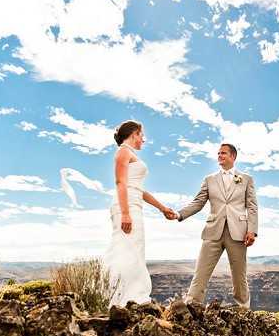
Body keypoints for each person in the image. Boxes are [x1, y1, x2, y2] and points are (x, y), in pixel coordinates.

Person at [174, 143, 258, 308]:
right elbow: (198, 203)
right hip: (213, 231)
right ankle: (192, 305)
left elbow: (252, 206)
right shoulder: (209, 179)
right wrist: (179, 214)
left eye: (224, 153)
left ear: (233, 156)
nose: (220, 156)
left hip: (238, 232)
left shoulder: (246, 179)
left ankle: (243, 307)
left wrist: (252, 231)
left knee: (239, 274)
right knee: (201, 271)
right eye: (218, 153)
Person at [103, 120, 176, 307]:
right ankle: (122, 297)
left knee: (134, 250)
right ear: (134, 133)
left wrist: (162, 208)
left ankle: (128, 297)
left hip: (134, 205)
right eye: (141, 135)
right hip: (125, 207)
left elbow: (138, 190)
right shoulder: (123, 152)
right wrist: (126, 213)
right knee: (126, 249)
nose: (143, 139)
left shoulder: (130, 154)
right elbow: (120, 183)